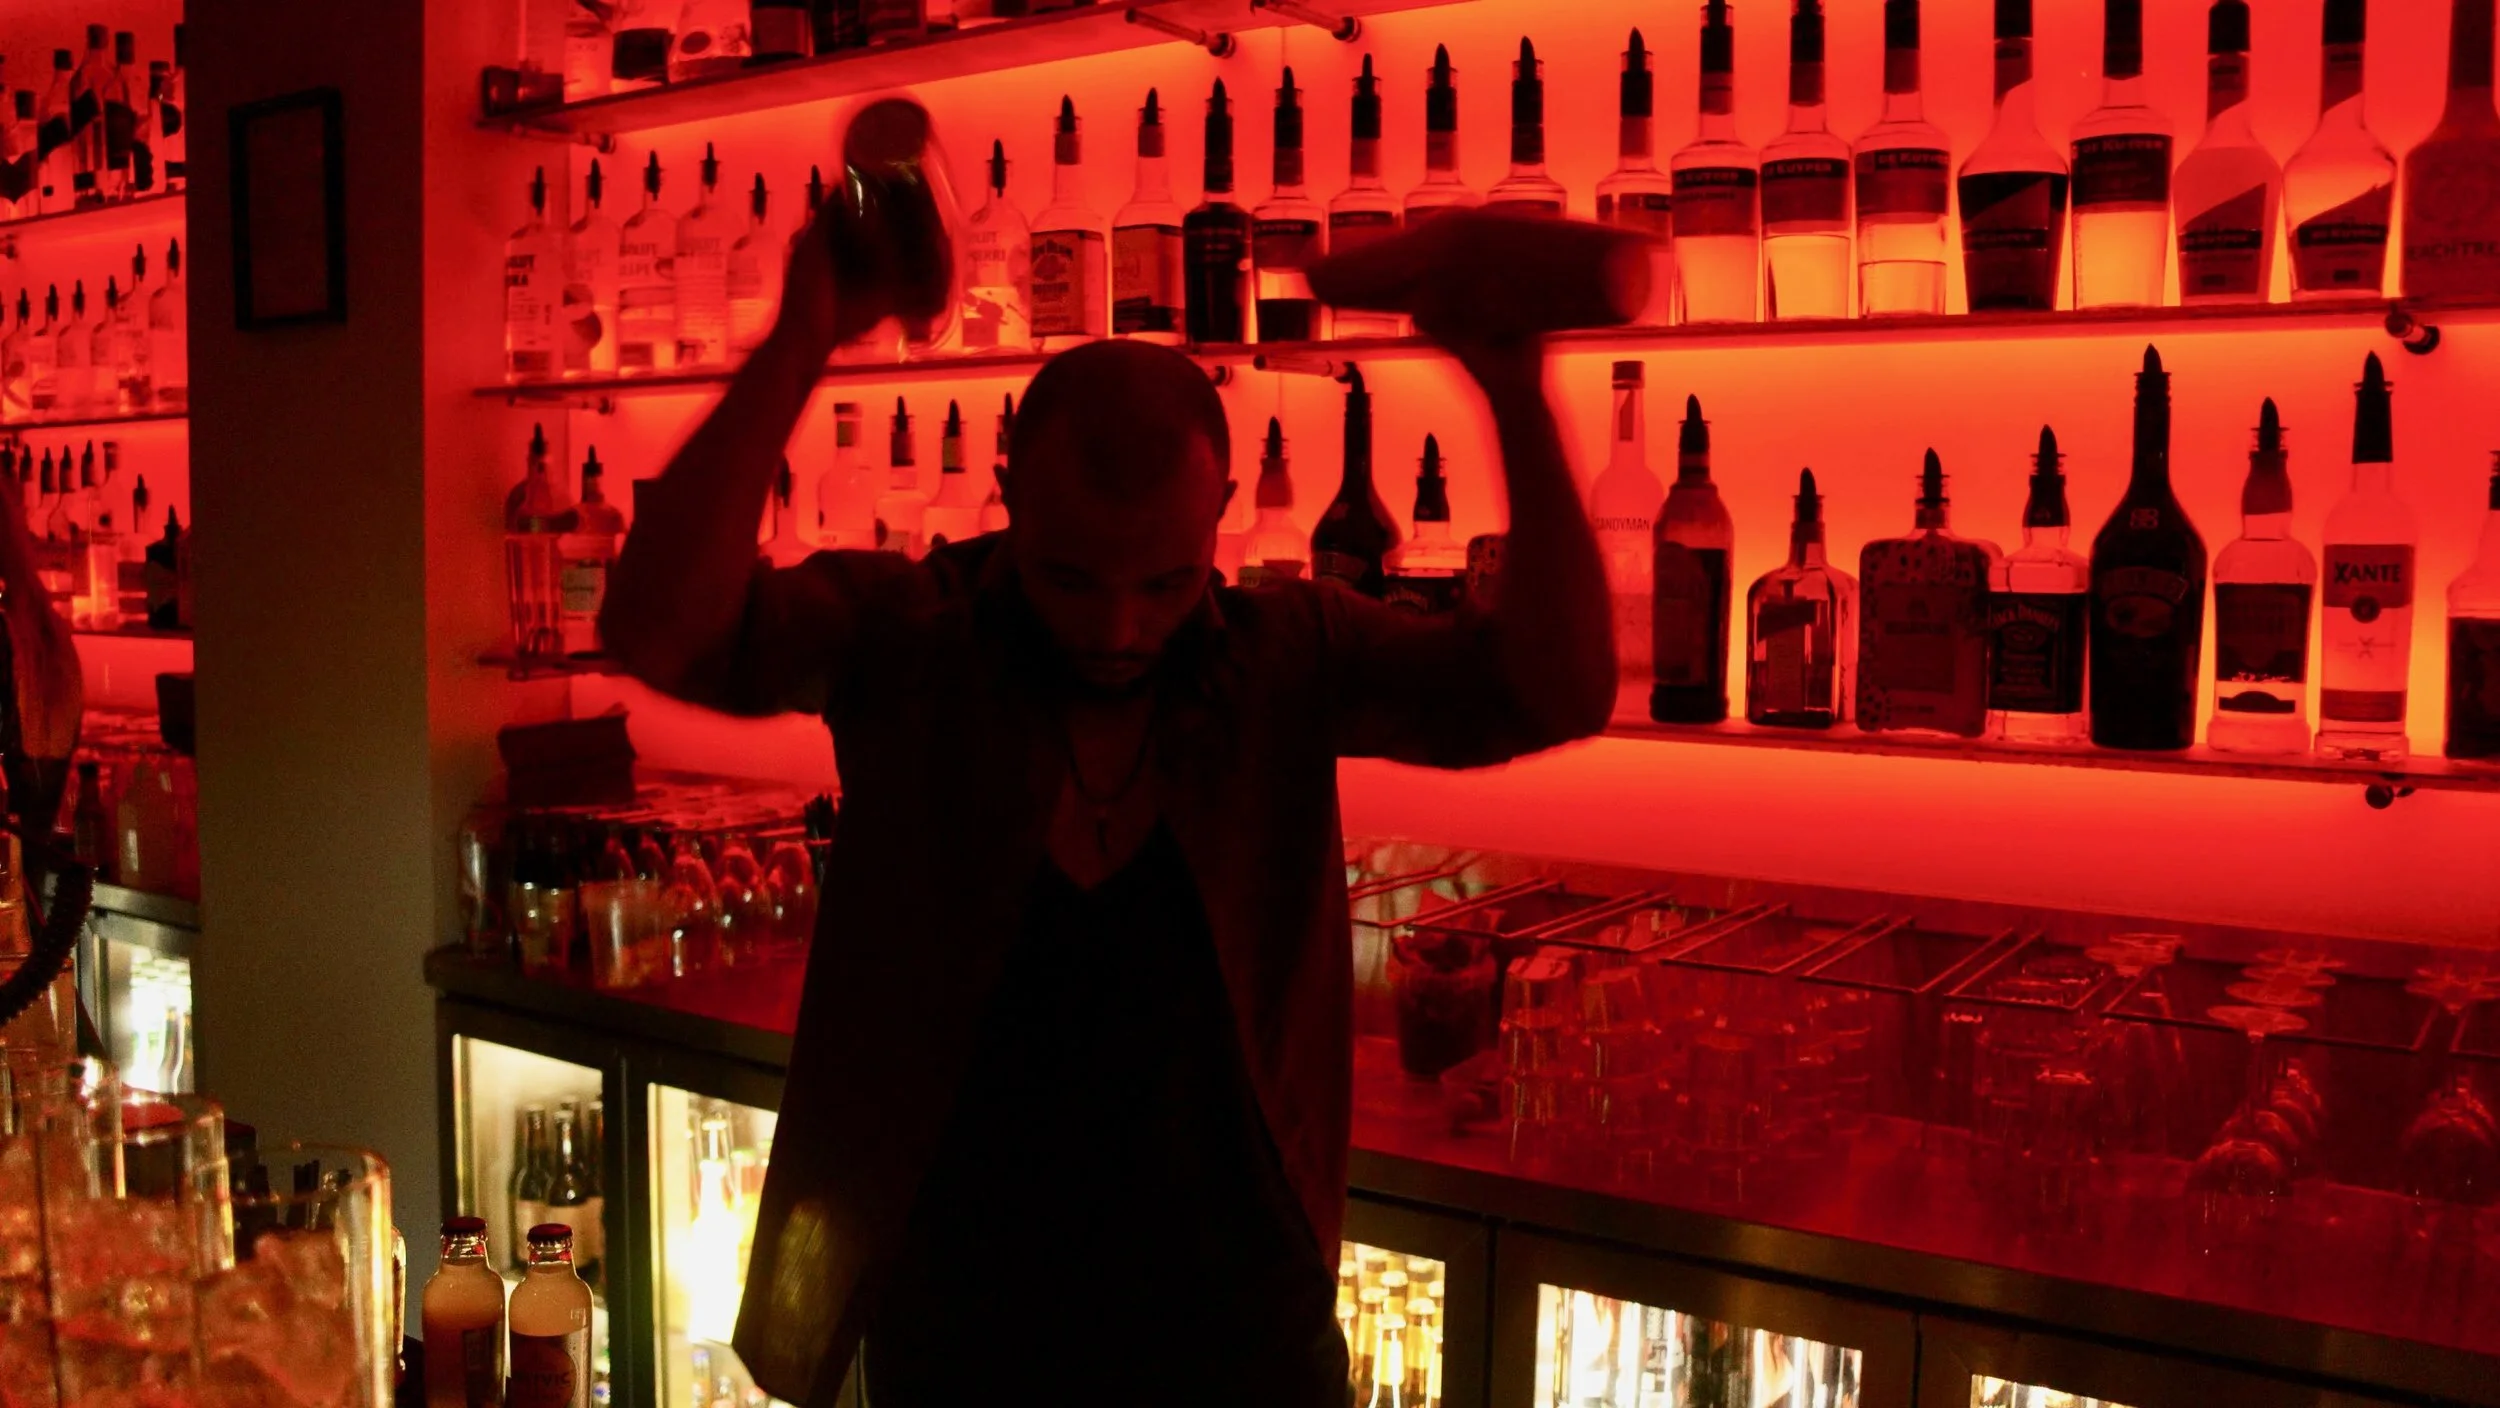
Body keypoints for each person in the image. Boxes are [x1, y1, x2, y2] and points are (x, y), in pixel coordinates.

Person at [602, 194, 1619, 1405]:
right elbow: (657, 629)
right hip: (960, 1327)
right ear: (1008, 495)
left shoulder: (1286, 655)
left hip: (1242, 1335)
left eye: (1167, 582)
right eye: (1071, 578)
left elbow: (1552, 691)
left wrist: (1511, 383)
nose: (1120, 627)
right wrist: (802, 337)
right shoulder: (910, 635)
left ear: (1222, 516)